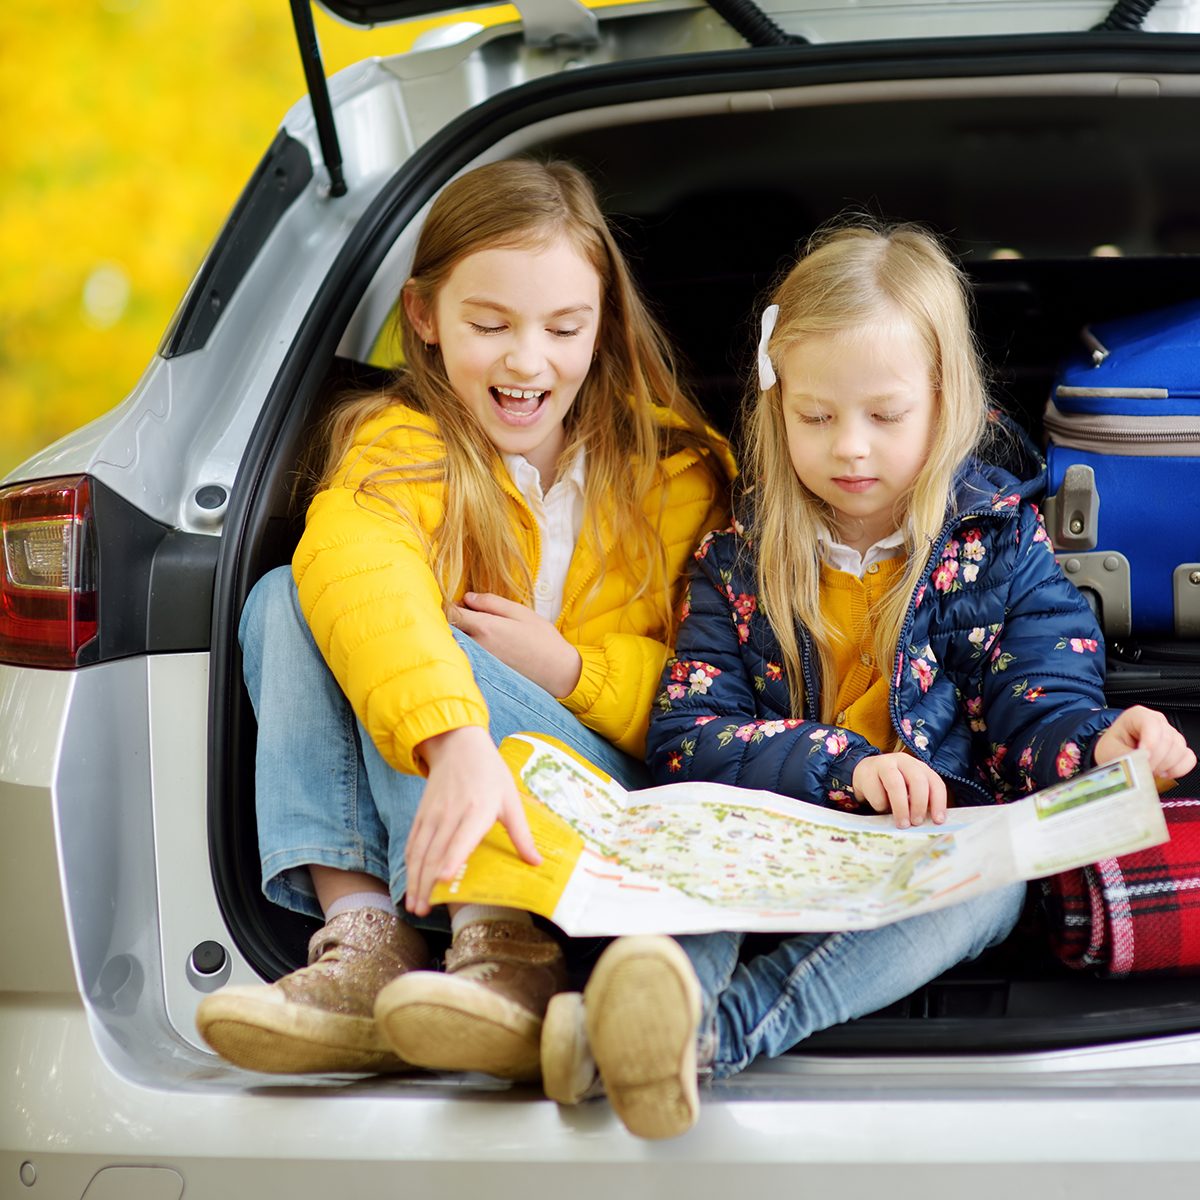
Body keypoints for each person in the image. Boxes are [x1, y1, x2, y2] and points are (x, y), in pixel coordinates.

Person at [538, 220, 1197, 1139]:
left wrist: (1098, 743)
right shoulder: (735, 559)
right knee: (690, 870)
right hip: (769, 844)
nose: (851, 447)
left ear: (945, 404)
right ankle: (653, 1003)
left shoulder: (1004, 547)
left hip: (930, 853)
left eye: (885, 417)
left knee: (989, 891)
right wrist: (841, 766)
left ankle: (700, 1039)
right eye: (815, 417)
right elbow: (689, 733)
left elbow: (1037, 706)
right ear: (778, 408)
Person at [195, 158, 732, 1082]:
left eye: (565, 327)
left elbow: (719, 700)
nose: (529, 360)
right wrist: (456, 736)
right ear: (424, 318)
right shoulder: (400, 447)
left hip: (615, 793)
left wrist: (569, 671)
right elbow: (354, 560)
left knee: (423, 640)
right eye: (491, 325)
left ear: (602, 328)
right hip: (462, 767)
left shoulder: (676, 474)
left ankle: (505, 950)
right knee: (289, 598)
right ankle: (365, 942)